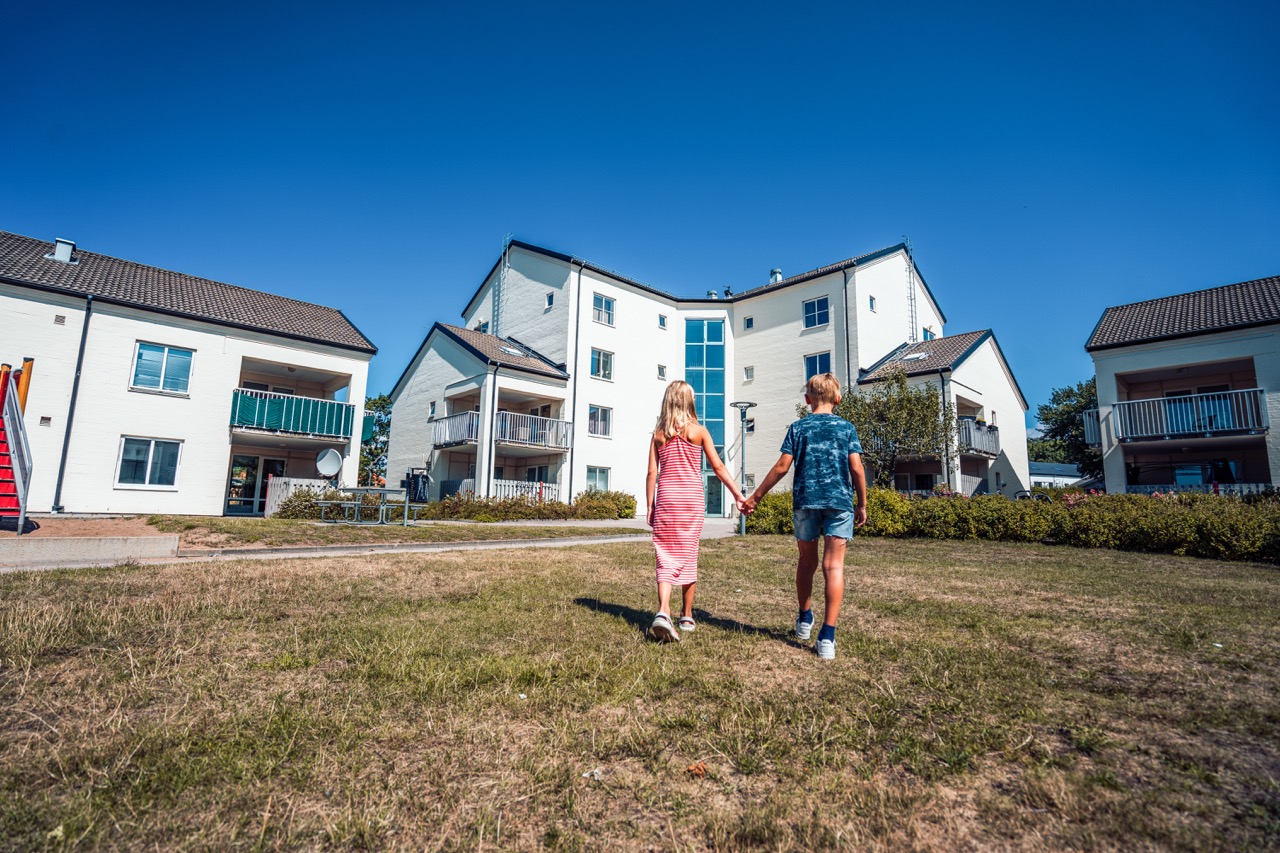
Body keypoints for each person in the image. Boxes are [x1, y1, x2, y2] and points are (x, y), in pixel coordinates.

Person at [742, 373, 867, 659]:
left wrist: (755, 497)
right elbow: (857, 469)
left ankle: (805, 616)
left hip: (805, 502)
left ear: (807, 400)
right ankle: (827, 637)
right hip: (838, 504)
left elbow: (781, 467)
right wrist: (862, 504)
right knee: (833, 567)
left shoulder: (798, 428)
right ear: (838, 399)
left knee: (806, 562)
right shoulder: (847, 428)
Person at [646, 380, 747, 643]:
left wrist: (650, 505)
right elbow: (719, 468)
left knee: (664, 555)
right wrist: (738, 494)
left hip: (667, 499)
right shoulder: (699, 432)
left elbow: (651, 473)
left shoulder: (658, 435)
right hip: (691, 500)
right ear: (690, 402)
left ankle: (663, 611)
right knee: (689, 553)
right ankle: (687, 615)